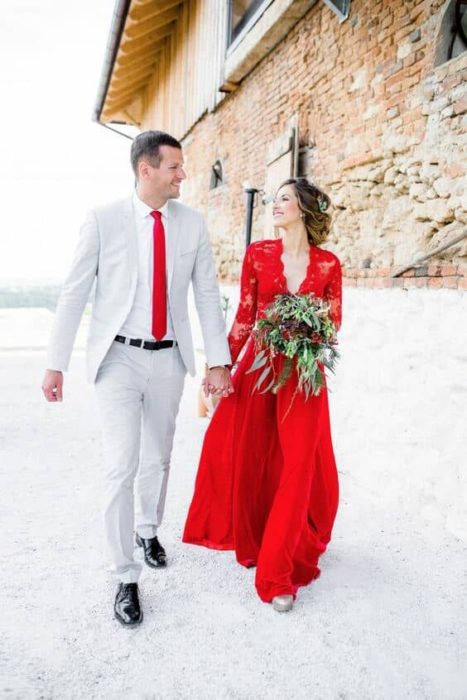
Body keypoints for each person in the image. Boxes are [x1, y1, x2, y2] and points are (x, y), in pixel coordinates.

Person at [42, 130, 233, 626]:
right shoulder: (103, 220)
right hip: (118, 361)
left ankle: (148, 529)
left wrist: (218, 360)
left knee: (159, 458)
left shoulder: (191, 224)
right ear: (145, 169)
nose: (183, 175)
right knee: (120, 465)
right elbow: (74, 292)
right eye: (174, 166)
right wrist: (55, 361)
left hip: (169, 358)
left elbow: (208, 295)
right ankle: (125, 576)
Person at [183, 177, 342, 612]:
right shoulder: (259, 254)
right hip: (258, 369)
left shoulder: (328, 263)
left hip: (303, 373)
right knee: (255, 454)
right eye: (273, 200)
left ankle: (277, 574)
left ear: (305, 209)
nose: (275, 205)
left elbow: (334, 324)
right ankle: (261, 540)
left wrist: (306, 327)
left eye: (284, 199)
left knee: (298, 463)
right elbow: (245, 316)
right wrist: (222, 368)